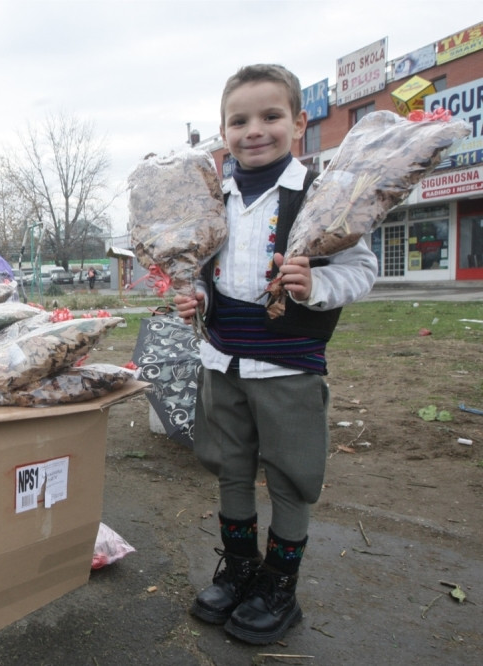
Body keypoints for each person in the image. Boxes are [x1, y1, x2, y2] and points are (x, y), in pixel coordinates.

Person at [173, 64, 377, 645]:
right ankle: (239, 572)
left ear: (299, 122)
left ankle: (279, 586)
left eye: (270, 116)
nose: (254, 130)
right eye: (239, 121)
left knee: (290, 476)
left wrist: (315, 285)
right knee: (229, 468)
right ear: (223, 130)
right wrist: (198, 298)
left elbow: (361, 270)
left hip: (288, 366)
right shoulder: (214, 201)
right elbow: (214, 274)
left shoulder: (323, 197)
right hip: (223, 363)